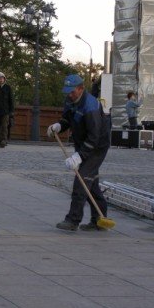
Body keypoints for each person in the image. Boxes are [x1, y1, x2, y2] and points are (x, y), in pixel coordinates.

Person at [47, 74, 110, 231]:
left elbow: (94, 137)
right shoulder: (70, 100)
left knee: (81, 181)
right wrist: (59, 126)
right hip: (82, 143)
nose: (69, 94)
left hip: (96, 147)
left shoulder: (91, 106)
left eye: (72, 91)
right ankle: (99, 220)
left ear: (81, 89)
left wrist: (79, 156)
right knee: (90, 183)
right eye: (67, 91)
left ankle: (73, 220)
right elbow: (67, 118)